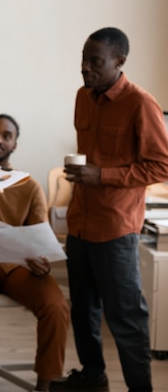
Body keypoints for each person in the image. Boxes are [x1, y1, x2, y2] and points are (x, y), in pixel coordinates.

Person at [51, 27, 168, 392]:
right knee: (84, 312)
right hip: (80, 225)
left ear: (119, 62)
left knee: (126, 319)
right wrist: (84, 173)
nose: (85, 68)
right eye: (83, 61)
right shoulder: (83, 97)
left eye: (95, 62)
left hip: (116, 230)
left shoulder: (141, 103)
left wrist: (101, 175)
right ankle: (93, 378)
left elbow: (161, 166)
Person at [0, 113, 70, 392]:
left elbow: (40, 238)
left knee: (56, 306)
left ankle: (45, 384)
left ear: (15, 145)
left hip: (19, 268)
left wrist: (43, 262)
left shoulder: (29, 186)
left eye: (6, 136)